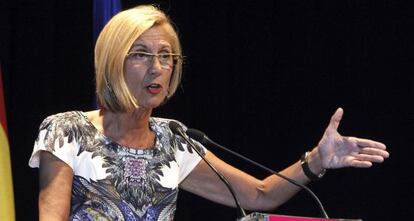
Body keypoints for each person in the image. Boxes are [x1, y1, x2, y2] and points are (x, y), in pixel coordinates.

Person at [28, 5, 389, 221]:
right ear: (112, 60)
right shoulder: (66, 130)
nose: (158, 68)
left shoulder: (173, 141)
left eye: (166, 56)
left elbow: (259, 195)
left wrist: (317, 160)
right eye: (140, 54)